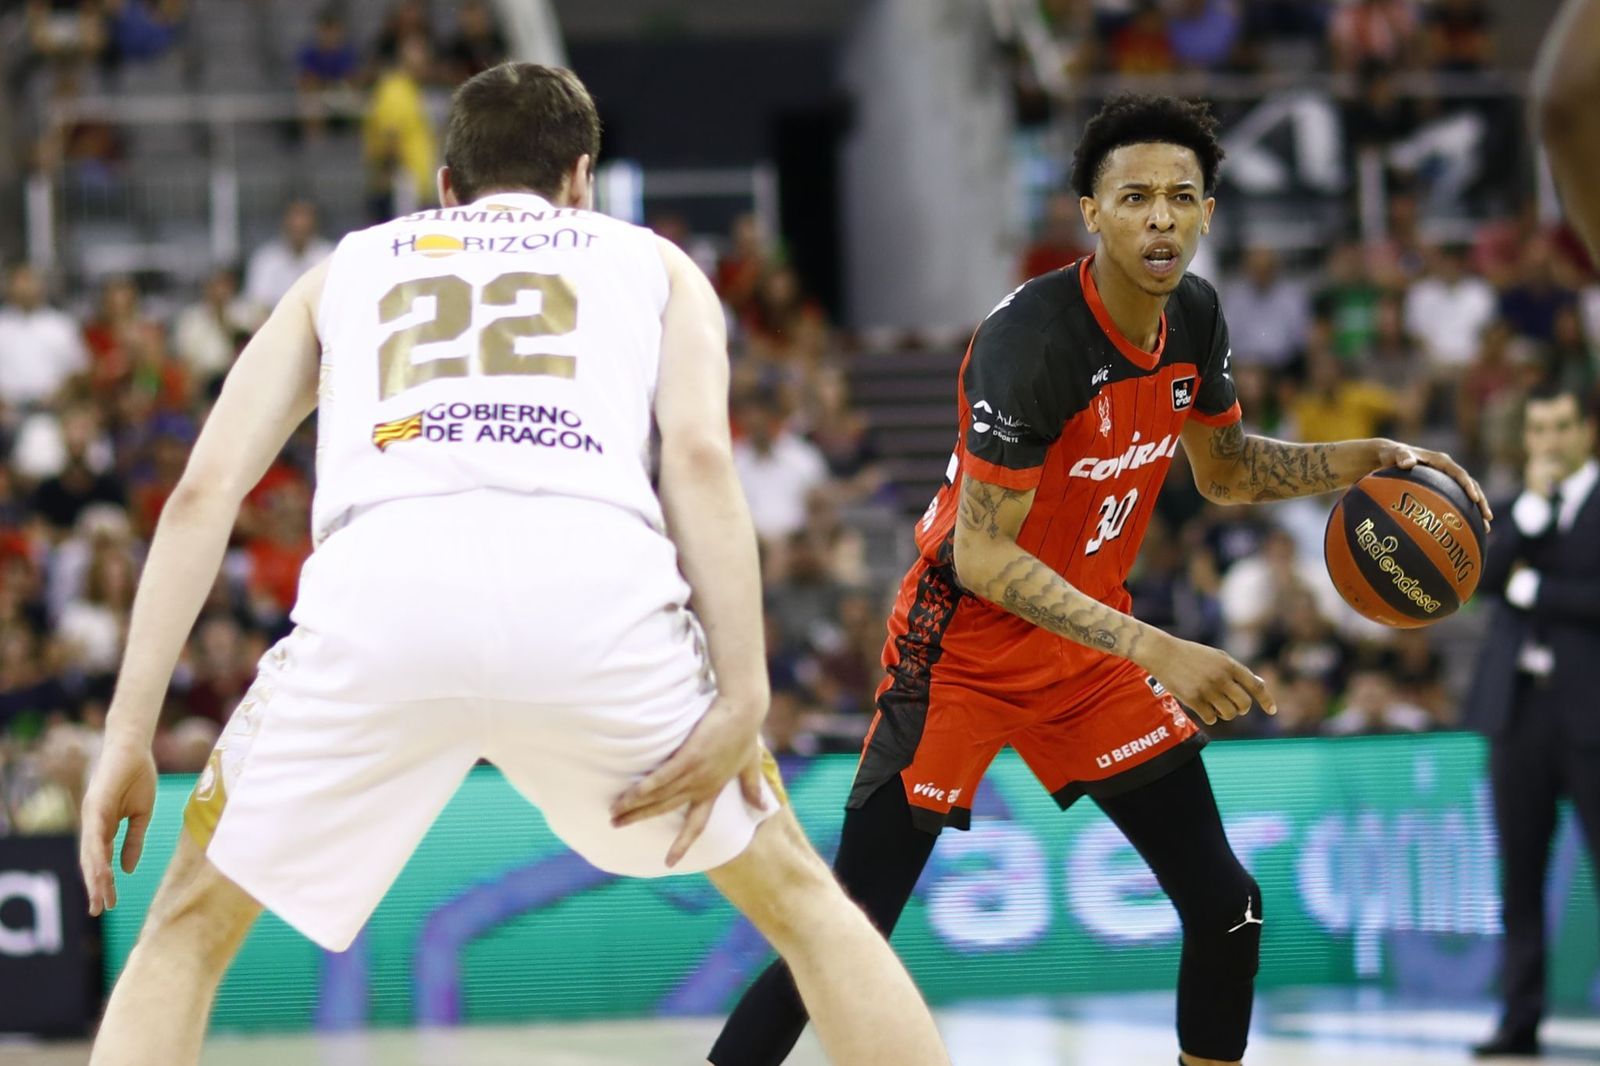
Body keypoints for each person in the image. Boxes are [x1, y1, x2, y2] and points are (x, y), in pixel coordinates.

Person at [77, 63, 949, 1066]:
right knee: (802, 903)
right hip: (593, 589)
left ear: (445, 184)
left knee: (188, 925)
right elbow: (702, 461)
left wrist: (128, 734)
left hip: (383, 595)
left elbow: (202, 493)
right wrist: (744, 692)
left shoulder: (347, 268)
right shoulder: (654, 264)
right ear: (581, 178)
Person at [707, 92, 1491, 1066]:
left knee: (1227, 906)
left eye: (1180, 196)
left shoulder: (1195, 318)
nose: (1159, 216)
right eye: (1133, 197)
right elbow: (981, 556)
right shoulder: (1032, 340)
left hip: (1085, 655)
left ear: (1208, 210)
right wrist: (1158, 646)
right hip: (961, 651)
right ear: (1089, 209)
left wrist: (1368, 456)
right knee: (843, 932)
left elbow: (1227, 469)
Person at [1465, 383, 1599, 1058]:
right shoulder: (1516, 507)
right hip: (1518, 715)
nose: (1549, 441)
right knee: (1517, 876)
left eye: (1562, 427)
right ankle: (1519, 1021)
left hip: (1593, 717)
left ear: (1587, 432)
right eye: (1539, 429)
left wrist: (1538, 588)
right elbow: (1478, 576)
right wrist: (1535, 511)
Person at [242, 201, 334, 317]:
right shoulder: (265, 260)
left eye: (303, 229)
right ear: (285, 225)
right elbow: (257, 305)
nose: (299, 231)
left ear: (314, 226)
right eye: (295, 228)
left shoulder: (329, 257)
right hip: (275, 325)